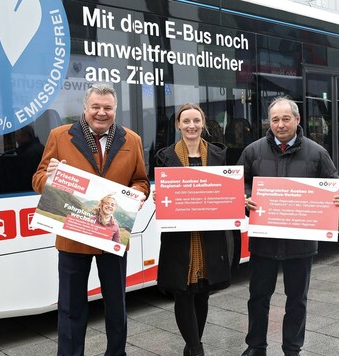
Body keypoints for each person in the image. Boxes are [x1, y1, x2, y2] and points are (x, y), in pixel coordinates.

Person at [32, 82, 149, 356]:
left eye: (107, 108)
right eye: (95, 107)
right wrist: (50, 178)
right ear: (85, 108)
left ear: (115, 109)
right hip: (73, 236)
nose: (101, 112)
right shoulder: (59, 137)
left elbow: (141, 181)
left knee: (117, 306)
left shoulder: (131, 139)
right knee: (71, 307)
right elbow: (37, 179)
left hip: (113, 236)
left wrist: (138, 195)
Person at [238, 97, 339, 356]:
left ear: (297, 120)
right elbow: (240, 185)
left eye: (286, 119)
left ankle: (292, 349)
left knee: (297, 300)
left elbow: (333, 186)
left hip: (301, 242)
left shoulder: (317, 152)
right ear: (269, 122)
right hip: (264, 241)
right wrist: (245, 197)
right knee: (258, 298)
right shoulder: (252, 151)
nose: (280, 124)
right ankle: (255, 346)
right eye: (275, 119)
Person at [154, 103, 232, 356]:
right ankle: (197, 349)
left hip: (209, 237)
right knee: (182, 293)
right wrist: (158, 196)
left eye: (196, 121)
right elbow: (161, 192)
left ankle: (192, 346)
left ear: (203, 123)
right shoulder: (164, 156)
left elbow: (227, 193)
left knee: (202, 293)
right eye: (185, 121)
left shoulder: (219, 155)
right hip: (180, 238)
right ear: (178, 124)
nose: (191, 126)